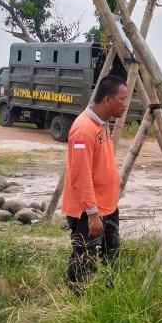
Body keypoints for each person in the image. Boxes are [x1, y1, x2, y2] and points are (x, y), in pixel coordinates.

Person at [61, 75, 127, 288]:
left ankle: (108, 296)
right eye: (122, 99)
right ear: (107, 99)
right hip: (89, 212)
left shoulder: (101, 124)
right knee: (83, 261)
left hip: (107, 207)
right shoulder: (83, 130)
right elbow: (80, 175)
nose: (125, 104)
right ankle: (75, 299)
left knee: (110, 258)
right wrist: (91, 213)